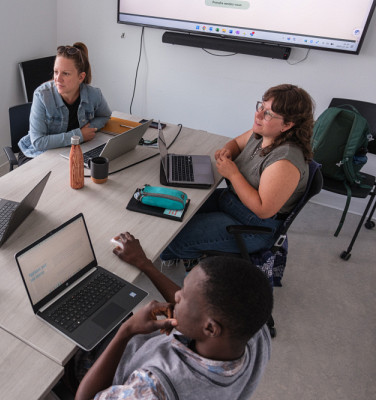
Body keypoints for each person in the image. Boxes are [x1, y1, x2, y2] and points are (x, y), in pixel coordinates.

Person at [74, 233, 273, 400]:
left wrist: (127, 331)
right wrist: (145, 265)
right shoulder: (253, 330)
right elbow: (203, 304)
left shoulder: (151, 388)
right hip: (144, 351)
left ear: (210, 328)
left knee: (74, 331)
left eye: (183, 296)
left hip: (111, 369)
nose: (177, 295)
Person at [161, 84, 314, 267]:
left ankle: (191, 257)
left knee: (175, 238)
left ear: (287, 125)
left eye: (268, 114)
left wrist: (233, 175)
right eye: (261, 107)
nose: (258, 115)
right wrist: (226, 151)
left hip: (253, 225)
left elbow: (263, 209)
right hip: (231, 202)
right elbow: (236, 143)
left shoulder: (285, 161)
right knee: (171, 214)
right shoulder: (263, 133)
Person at [17, 42, 111, 162]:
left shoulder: (94, 94)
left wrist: (90, 129)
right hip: (38, 154)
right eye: (56, 72)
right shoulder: (41, 95)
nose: (58, 79)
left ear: (81, 77)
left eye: (65, 74)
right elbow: (38, 142)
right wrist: (79, 136)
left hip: (69, 151)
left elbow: (105, 115)